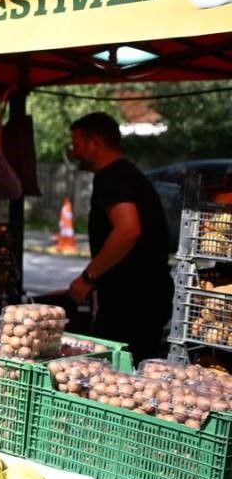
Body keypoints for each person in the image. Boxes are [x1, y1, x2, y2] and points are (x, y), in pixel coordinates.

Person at [67, 112, 173, 360]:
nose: (74, 152)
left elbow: (128, 230)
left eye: (77, 144)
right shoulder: (129, 174)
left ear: (95, 142)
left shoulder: (111, 177)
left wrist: (88, 278)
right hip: (145, 297)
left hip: (132, 303)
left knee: (115, 376)